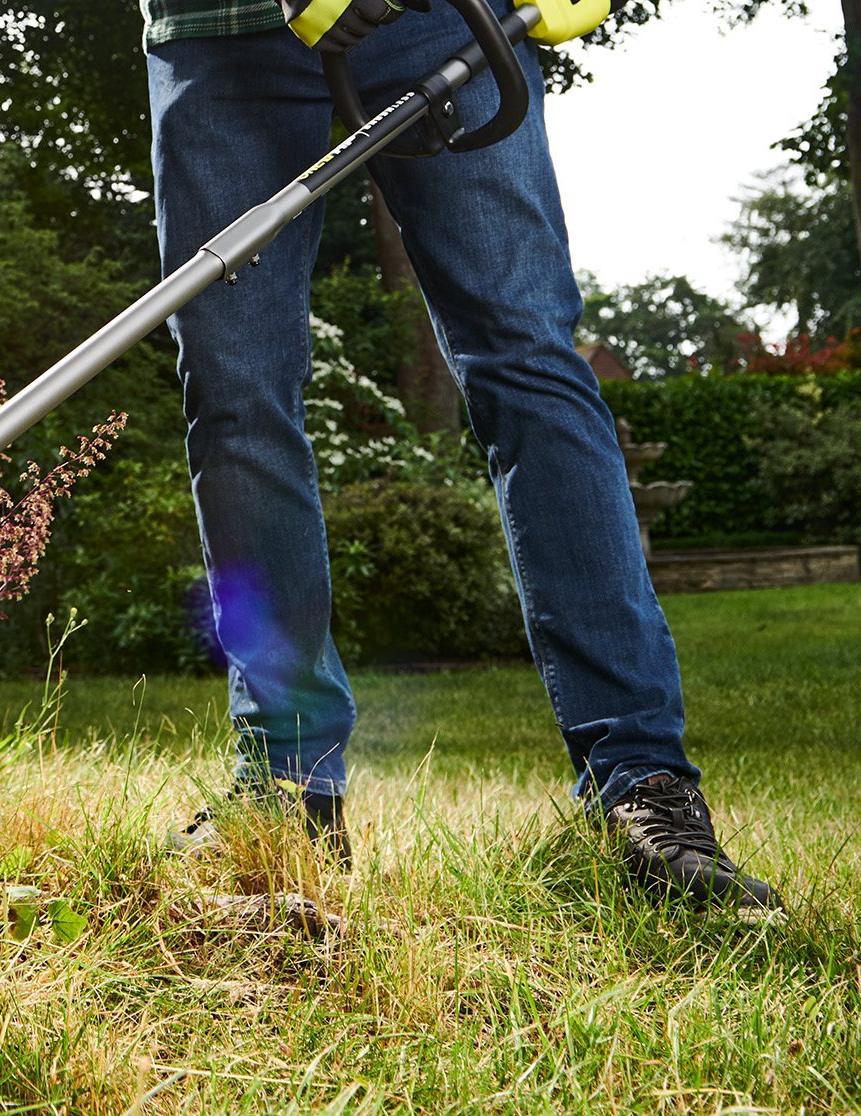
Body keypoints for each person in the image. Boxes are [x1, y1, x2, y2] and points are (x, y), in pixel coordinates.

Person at [143, 0, 779, 908]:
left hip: (433, 15)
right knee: (237, 396)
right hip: (219, 31)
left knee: (527, 361)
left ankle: (638, 782)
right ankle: (288, 789)